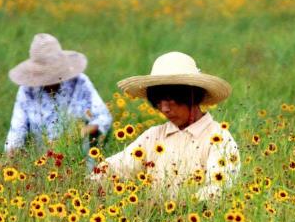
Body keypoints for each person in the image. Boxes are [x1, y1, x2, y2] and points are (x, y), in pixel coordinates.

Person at [90, 51, 240, 201]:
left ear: (192, 95)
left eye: (171, 100)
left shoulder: (218, 138)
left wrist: (183, 208)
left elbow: (220, 187)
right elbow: (116, 168)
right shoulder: (154, 136)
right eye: (158, 102)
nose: (164, 109)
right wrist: (87, 182)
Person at [5, 33, 112, 157]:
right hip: (41, 162)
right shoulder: (27, 91)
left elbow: (103, 117)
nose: (50, 81)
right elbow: (16, 133)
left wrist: (77, 135)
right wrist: (10, 162)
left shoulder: (79, 82)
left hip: (78, 158)